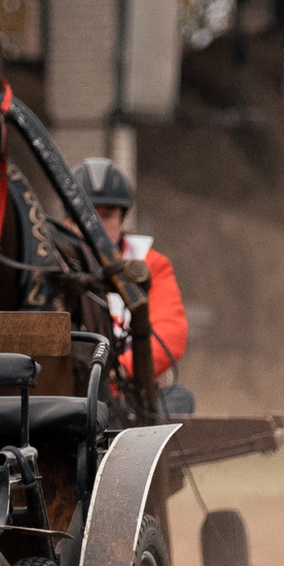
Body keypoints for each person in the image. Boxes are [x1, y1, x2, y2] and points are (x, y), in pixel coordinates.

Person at [77, 158, 190, 400]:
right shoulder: (51, 265)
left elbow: (171, 332)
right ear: (68, 219)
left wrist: (116, 369)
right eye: (86, 216)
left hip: (128, 393)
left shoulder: (150, 264)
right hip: (70, 392)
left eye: (107, 215)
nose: (95, 226)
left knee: (180, 399)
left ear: (123, 219)